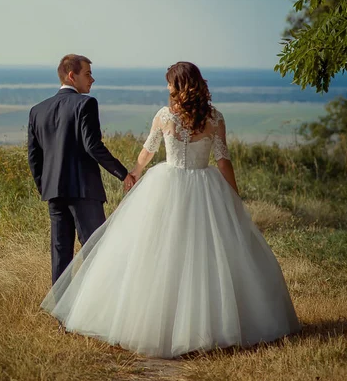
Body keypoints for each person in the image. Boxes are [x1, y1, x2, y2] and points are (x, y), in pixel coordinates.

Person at [41, 62, 301, 358]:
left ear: (178, 85)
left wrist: (134, 174)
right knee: (207, 255)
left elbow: (148, 150)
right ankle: (209, 325)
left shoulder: (165, 116)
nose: (166, 88)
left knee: (159, 253)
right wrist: (233, 195)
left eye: (169, 83)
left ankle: (158, 324)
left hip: (167, 184)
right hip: (206, 186)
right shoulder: (215, 117)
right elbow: (222, 159)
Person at [28, 54, 135, 284]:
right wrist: (122, 173)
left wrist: (46, 187)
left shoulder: (37, 110)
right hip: (84, 191)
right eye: (87, 74)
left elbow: (34, 158)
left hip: (54, 193)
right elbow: (93, 146)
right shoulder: (86, 104)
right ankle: (93, 313)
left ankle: (61, 317)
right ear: (71, 75)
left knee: (60, 256)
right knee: (96, 252)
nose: (92, 79)